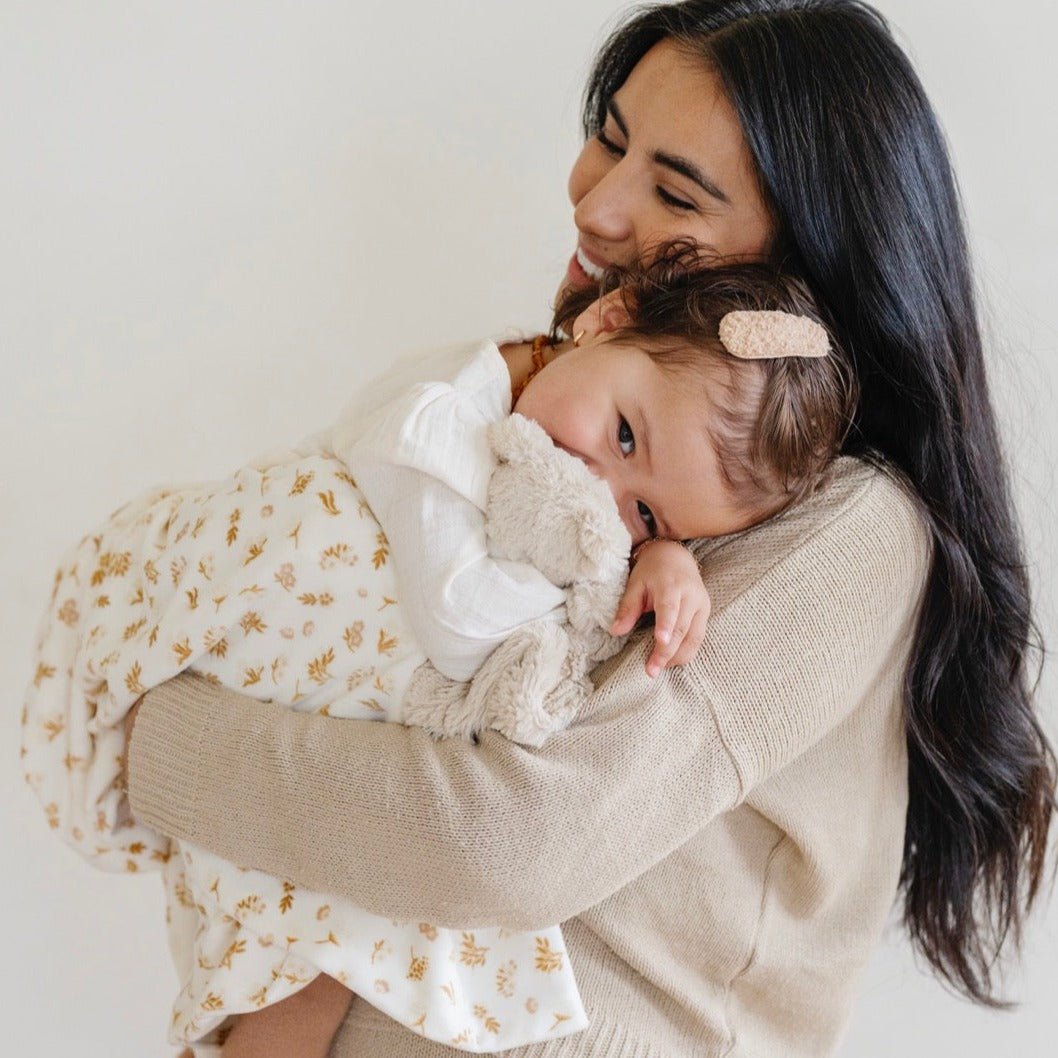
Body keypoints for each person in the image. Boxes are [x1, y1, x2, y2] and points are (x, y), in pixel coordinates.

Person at [116, 2, 1056, 1055]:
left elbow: (502, 845)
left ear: (804, 256)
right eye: (608, 139)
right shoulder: (574, 437)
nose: (596, 206)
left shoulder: (852, 529)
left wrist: (145, 736)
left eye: (671, 192)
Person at [22, 256, 852, 1056]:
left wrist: (660, 561)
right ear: (605, 321)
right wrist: (610, 575)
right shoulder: (440, 409)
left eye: (646, 514)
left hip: (340, 766)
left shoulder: (578, 476)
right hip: (249, 650)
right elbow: (459, 619)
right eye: (624, 433)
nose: (596, 493)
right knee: (303, 962)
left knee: (332, 952)